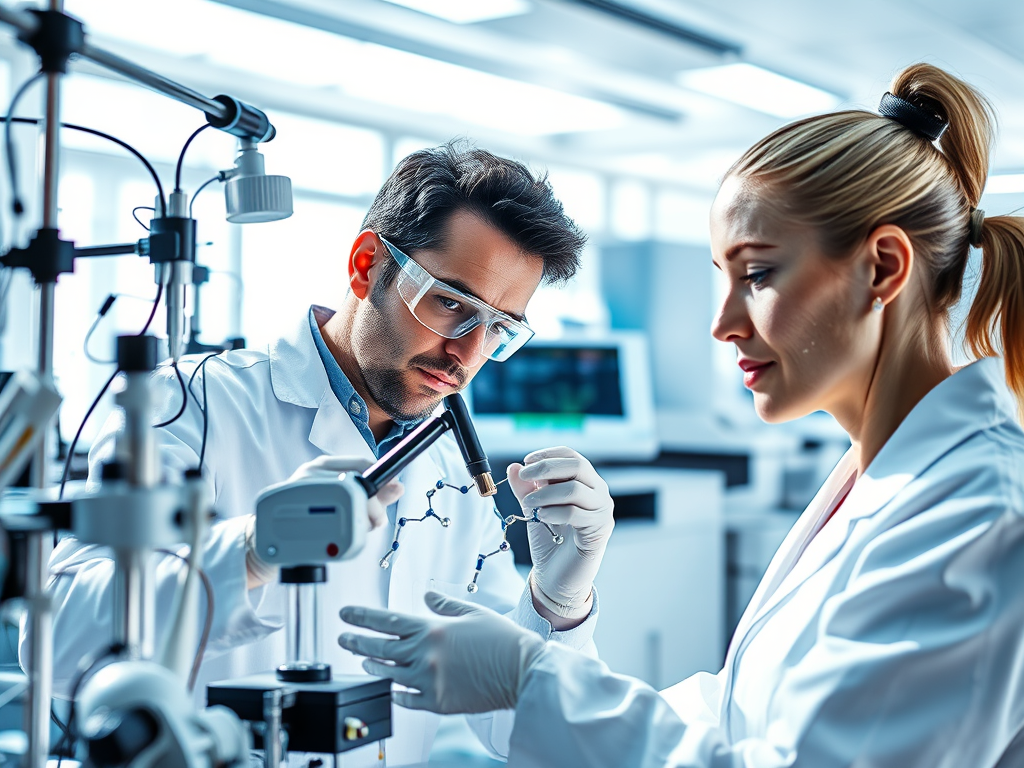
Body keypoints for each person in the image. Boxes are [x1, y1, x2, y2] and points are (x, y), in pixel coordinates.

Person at [339, 64, 1024, 767]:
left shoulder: (978, 514)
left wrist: (530, 679)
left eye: (756, 275)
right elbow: (731, 718)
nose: (721, 324)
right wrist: (555, 624)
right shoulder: (881, 479)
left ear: (882, 268)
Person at [34, 141, 616, 766]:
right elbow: (65, 648)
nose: (468, 355)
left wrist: (556, 607)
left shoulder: (449, 465)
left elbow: (508, 723)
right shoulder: (190, 404)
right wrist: (255, 550)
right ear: (368, 265)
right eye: (451, 304)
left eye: (499, 327)